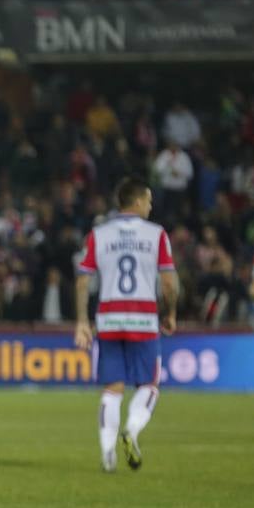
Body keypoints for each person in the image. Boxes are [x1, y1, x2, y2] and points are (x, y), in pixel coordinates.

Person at [74, 177, 179, 473]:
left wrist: (82, 321)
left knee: (112, 388)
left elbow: (83, 280)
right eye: (148, 200)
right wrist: (170, 312)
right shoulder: (156, 234)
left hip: (108, 318)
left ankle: (107, 453)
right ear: (136, 201)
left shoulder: (99, 234)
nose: (150, 205)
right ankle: (131, 431)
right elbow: (169, 281)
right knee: (149, 384)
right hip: (144, 319)